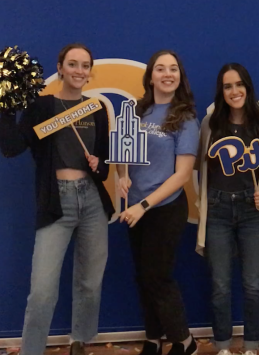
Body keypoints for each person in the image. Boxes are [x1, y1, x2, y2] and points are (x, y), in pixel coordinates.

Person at [0, 43, 115, 355]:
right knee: (42, 291)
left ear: (90, 72)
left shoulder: (97, 109)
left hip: (92, 202)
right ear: (60, 67)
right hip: (56, 202)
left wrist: (99, 165)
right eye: (73, 64)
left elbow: (104, 168)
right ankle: (32, 350)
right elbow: (12, 148)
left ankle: (80, 340)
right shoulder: (42, 107)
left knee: (90, 284)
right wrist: (4, 107)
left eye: (84, 65)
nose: (79, 71)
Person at [117, 50, 199, 355]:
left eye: (173, 69)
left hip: (163, 209)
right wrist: (121, 174)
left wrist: (145, 205)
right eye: (161, 69)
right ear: (150, 76)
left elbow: (182, 175)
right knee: (143, 277)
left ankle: (185, 341)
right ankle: (153, 338)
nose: (168, 74)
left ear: (179, 76)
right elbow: (123, 155)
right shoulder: (137, 111)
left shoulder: (186, 118)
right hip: (135, 209)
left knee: (158, 277)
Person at [195, 63, 259, 355]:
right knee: (220, 286)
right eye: (228, 86)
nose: (234, 91)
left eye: (239, 84)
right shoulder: (210, 124)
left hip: (251, 212)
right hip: (217, 209)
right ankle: (222, 347)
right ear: (221, 91)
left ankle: (251, 347)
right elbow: (197, 167)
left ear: (248, 87)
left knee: (253, 285)